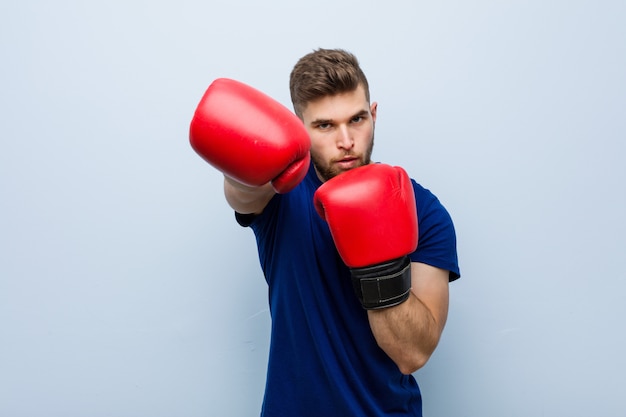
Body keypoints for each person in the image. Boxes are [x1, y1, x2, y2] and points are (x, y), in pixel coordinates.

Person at [189, 48, 460, 416]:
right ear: (299, 129)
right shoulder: (281, 196)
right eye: (325, 125)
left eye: (357, 119)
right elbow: (242, 193)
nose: (346, 140)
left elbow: (413, 353)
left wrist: (378, 259)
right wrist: (249, 157)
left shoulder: (424, 211)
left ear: (374, 115)